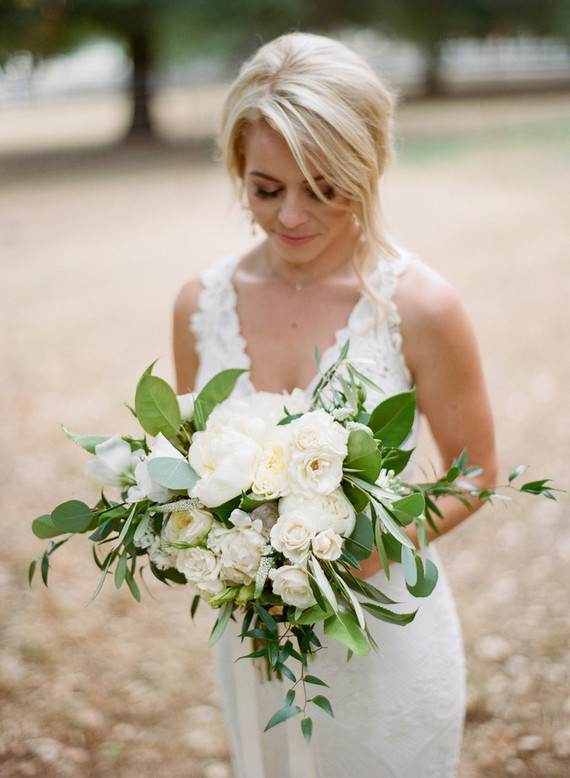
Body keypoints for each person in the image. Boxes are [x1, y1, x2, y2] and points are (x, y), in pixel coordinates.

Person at [173, 32, 497, 778]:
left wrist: (361, 554)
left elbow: (477, 473)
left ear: (369, 167)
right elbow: (187, 466)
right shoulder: (200, 305)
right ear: (238, 170)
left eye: (323, 188)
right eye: (266, 189)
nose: (291, 215)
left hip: (383, 631)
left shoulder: (420, 307)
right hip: (255, 640)